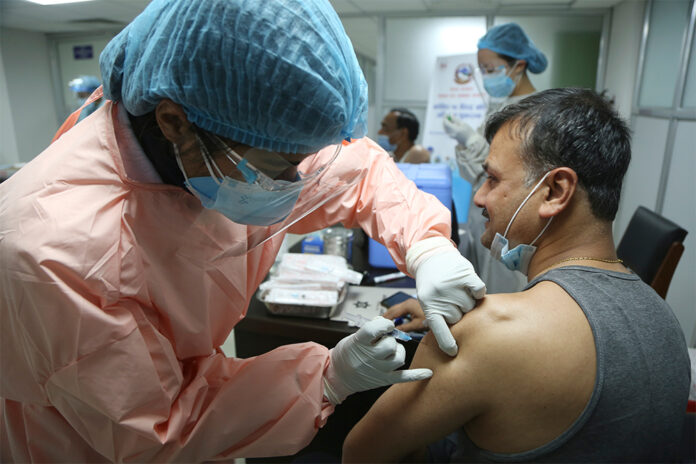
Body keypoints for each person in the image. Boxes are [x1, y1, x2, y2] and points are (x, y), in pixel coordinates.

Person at [0, 0, 486, 461]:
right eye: (283, 164)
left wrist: (426, 246)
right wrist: (327, 378)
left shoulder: (223, 135)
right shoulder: (55, 253)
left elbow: (360, 171)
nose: (298, 181)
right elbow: (156, 428)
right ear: (173, 121)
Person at [344, 88, 691, 463]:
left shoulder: (491, 334)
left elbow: (361, 453)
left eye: (492, 179)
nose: (479, 197)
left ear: (555, 191)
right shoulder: (666, 321)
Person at [444, 22, 548, 295]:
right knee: (483, 286)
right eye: (483, 70)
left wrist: (472, 140)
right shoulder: (504, 106)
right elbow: (479, 173)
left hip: (510, 219)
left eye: (491, 69)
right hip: (487, 218)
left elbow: (512, 172)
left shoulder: (537, 111)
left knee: (504, 292)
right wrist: (469, 140)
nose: (486, 76)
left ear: (519, 65)